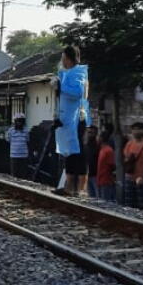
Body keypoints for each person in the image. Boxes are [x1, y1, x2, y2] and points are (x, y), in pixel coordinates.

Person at [53, 45, 90, 196]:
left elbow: (78, 92)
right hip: (67, 118)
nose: (63, 62)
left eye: (64, 59)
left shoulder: (79, 72)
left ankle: (81, 187)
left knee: (79, 151)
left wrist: (60, 86)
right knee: (69, 152)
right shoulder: (68, 73)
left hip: (77, 118)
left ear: (69, 58)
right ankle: (67, 185)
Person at [123, 122, 143, 209]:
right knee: (128, 202)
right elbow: (125, 159)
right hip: (129, 178)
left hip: (141, 179)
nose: (136, 131)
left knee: (142, 204)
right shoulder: (129, 144)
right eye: (134, 129)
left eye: (138, 129)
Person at [6, 113, 30, 179]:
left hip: (24, 155)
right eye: (18, 120)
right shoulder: (10, 131)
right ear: (15, 121)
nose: (20, 122)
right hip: (14, 155)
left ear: (23, 122)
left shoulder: (26, 131)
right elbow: (8, 140)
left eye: (21, 121)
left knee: (23, 173)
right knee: (14, 173)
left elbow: (27, 141)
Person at [96, 130, 116, 202]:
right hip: (100, 180)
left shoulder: (108, 150)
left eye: (98, 136)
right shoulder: (102, 150)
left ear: (101, 138)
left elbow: (112, 165)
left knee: (105, 202)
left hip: (106, 181)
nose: (96, 138)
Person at [83, 125, 100, 197]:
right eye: (88, 132)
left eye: (91, 132)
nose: (89, 134)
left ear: (95, 134)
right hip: (87, 175)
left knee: (98, 196)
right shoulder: (86, 145)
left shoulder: (98, 146)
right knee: (91, 197)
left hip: (95, 175)